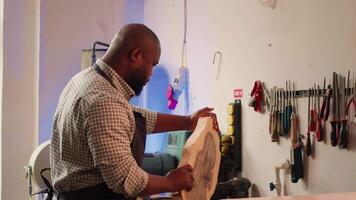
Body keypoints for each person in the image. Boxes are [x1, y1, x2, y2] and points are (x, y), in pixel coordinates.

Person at [50, 23, 219, 200]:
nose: (151, 74)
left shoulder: (86, 79)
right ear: (136, 55)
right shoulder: (103, 99)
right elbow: (124, 178)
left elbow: (133, 116)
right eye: (152, 64)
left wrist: (188, 121)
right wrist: (170, 182)